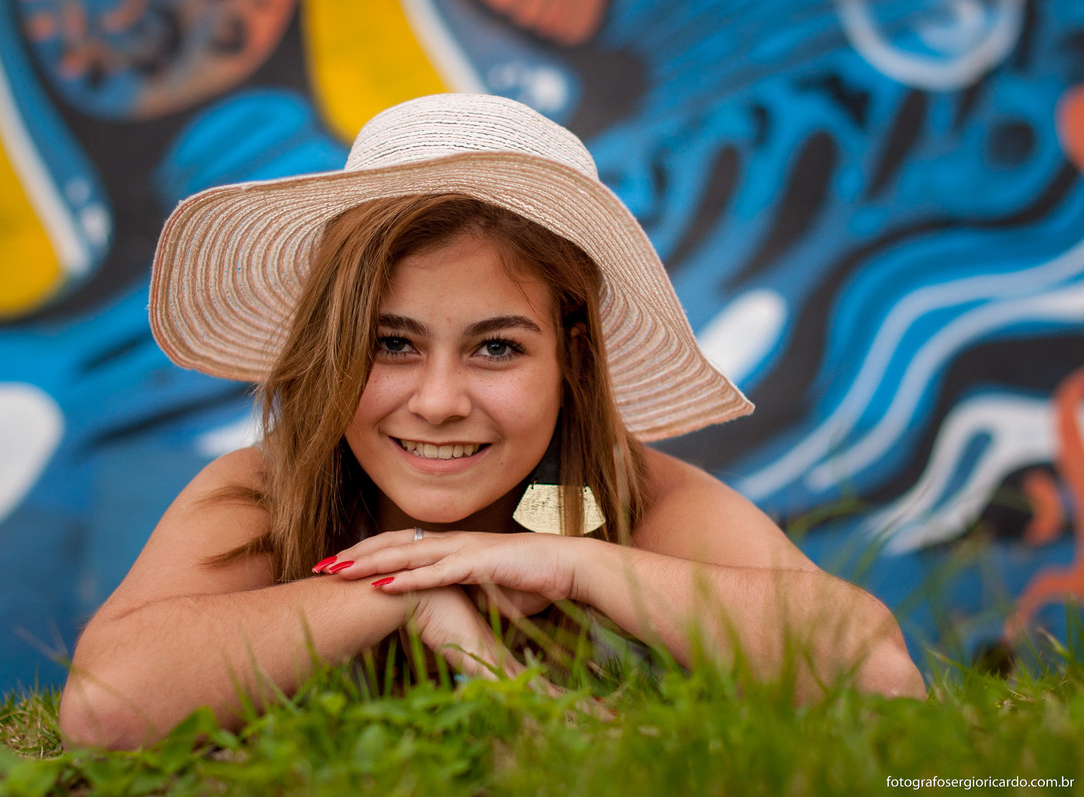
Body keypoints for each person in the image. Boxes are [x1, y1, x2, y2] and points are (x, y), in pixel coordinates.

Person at [59, 94, 926, 750]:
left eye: (497, 348)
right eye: (392, 344)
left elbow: (880, 677)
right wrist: (403, 589)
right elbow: (105, 708)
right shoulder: (268, 492)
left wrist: (576, 561)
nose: (438, 401)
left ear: (571, 359)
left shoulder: (630, 497)